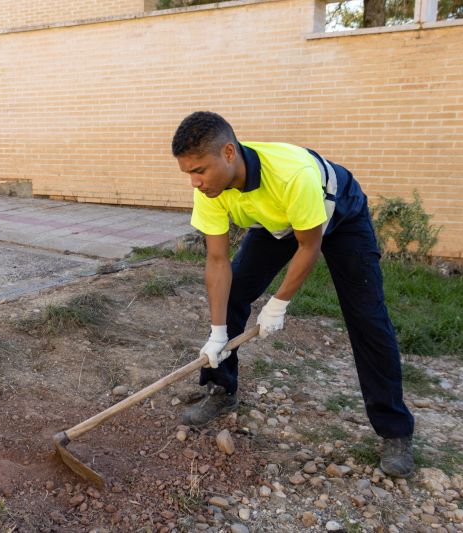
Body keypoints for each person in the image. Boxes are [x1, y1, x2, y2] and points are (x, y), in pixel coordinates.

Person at [171, 111, 415, 478]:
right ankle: (222, 390)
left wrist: (278, 305)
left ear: (228, 153)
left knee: (367, 318)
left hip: (339, 216)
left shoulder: (291, 173)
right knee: (234, 292)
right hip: (278, 222)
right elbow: (218, 261)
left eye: (200, 170)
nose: (194, 182)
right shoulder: (211, 189)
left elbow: (309, 245)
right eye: (188, 172)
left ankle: (395, 431)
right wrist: (217, 331)